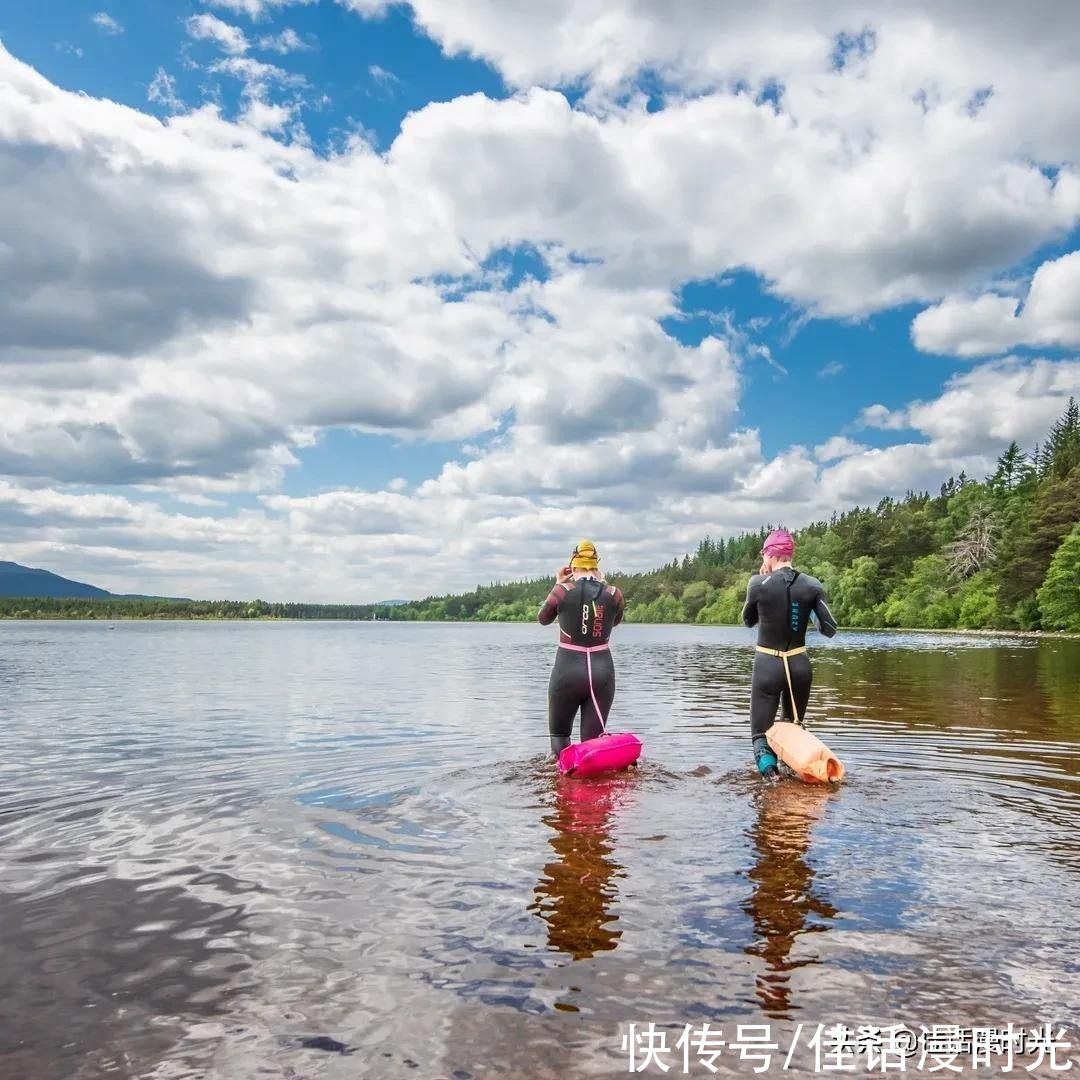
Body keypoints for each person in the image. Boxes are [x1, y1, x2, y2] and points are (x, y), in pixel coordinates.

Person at [742, 528, 838, 779]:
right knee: (792, 730)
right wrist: (804, 609)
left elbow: (748, 620)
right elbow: (829, 629)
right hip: (799, 665)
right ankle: (799, 782)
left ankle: (771, 782)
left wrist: (762, 587)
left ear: (770, 555)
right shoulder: (812, 585)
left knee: (760, 734)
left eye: (763, 554)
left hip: (768, 665)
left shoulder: (757, 583)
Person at [537, 540, 625, 757]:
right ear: (597, 568)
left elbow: (543, 618)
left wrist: (558, 583)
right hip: (601, 674)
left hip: (566, 672)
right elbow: (613, 622)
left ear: (573, 568)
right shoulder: (614, 594)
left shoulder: (562, 590)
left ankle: (561, 782)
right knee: (592, 747)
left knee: (560, 739)